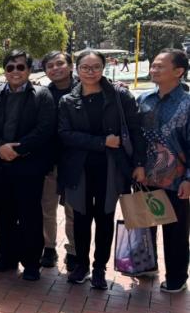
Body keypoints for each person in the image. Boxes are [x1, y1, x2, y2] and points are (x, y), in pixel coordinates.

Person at [58, 50, 146, 289]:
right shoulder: (68, 100)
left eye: (95, 67)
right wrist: (100, 142)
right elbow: (65, 135)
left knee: (105, 218)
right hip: (80, 169)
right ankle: (82, 266)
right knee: (81, 219)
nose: (90, 71)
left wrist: (139, 163)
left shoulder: (119, 96)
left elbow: (136, 131)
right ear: (76, 69)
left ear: (104, 68)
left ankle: (99, 269)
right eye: (85, 67)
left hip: (112, 168)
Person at [0, 50, 56, 281]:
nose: (15, 71)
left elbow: (45, 129)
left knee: (30, 214)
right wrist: (0, 146)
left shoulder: (42, 95)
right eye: (10, 67)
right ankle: (8, 258)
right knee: (4, 214)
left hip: (29, 166)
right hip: (0, 165)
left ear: (29, 70)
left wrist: (17, 150)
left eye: (20, 67)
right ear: (4, 70)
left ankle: (31, 262)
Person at [138, 49, 190, 293]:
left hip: (177, 180)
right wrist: (137, 165)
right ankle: (147, 265)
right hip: (146, 176)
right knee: (146, 224)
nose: (153, 69)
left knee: (176, 232)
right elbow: (137, 139)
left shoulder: (187, 104)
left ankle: (177, 277)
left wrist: (188, 179)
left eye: (160, 66)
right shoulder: (144, 99)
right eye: (153, 65)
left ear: (179, 71)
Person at [40, 51, 78, 270]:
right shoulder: (43, 94)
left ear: (71, 66)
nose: (55, 68)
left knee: (73, 210)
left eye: (60, 64)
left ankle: (73, 251)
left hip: (75, 163)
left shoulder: (85, 90)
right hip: (49, 162)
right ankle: (49, 248)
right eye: (50, 66)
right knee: (47, 209)